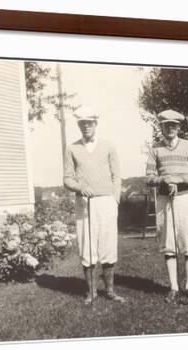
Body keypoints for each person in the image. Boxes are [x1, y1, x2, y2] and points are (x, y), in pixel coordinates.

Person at [63, 107, 125, 305]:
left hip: (106, 202)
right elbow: (67, 179)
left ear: (95, 124)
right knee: (87, 246)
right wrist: (80, 188)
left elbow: (117, 176)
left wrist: (115, 199)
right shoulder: (72, 148)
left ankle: (110, 290)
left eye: (89, 123)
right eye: (82, 123)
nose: (86, 127)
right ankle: (91, 292)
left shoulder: (108, 146)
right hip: (84, 204)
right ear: (79, 126)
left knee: (108, 245)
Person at [145, 109, 188, 305]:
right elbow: (148, 178)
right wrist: (164, 180)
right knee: (168, 243)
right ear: (161, 127)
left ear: (179, 127)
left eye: (174, 125)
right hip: (164, 201)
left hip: (185, 198)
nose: (170, 128)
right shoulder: (155, 149)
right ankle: (173, 288)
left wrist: (178, 180)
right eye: (166, 125)